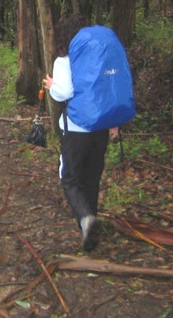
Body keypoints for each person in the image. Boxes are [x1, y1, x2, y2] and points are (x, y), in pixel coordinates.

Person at [44, 14, 119, 252]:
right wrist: (114, 122)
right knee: (91, 177)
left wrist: (51, 86)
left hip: (76, 129)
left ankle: (86, 220)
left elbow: (63, 91)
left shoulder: (64, 60)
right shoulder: (98, 57)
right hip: (101, 127)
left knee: (70, 177)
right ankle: (90, 227)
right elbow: (108, 89)